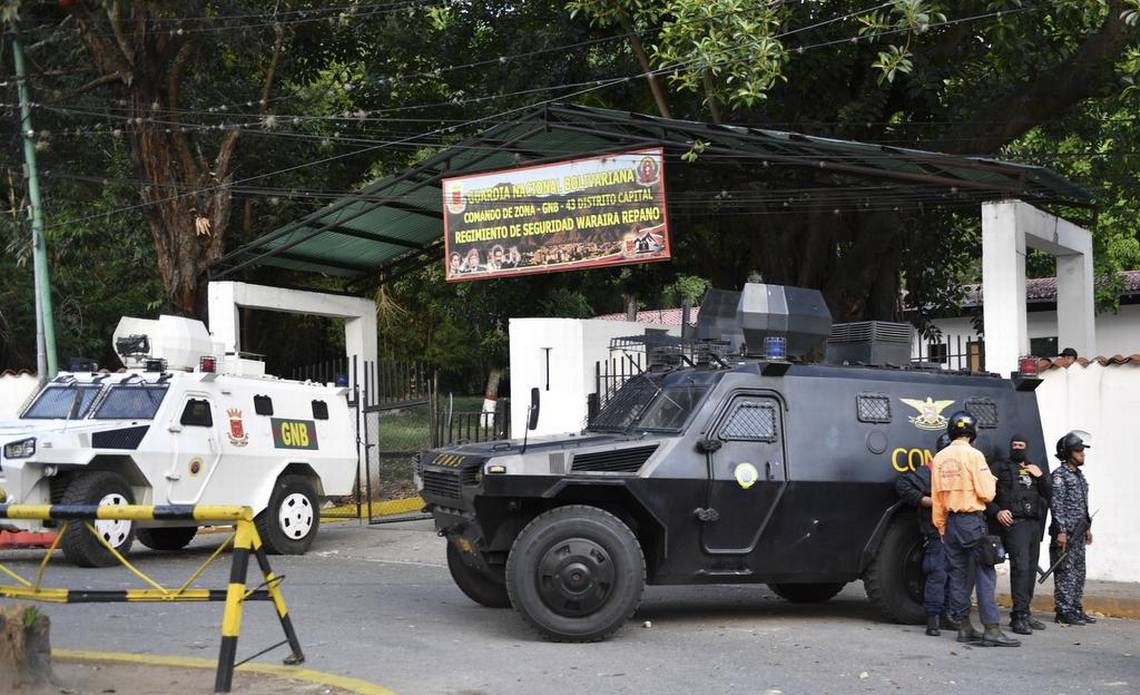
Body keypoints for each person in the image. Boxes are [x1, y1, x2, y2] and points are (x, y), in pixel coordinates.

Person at [931, 411, 1020, 647]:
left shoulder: (939, 458)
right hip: (971, 521)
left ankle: (963, 627)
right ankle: (991, 628)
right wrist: (990, 480)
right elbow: (987, 493)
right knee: (985, 572)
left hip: (950, 524)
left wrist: (941, 526)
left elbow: (937, 497)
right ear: (972, 432)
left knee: (958, 575)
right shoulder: (975, 456)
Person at [986, 434, 1052, 635]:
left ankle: (1026, 612)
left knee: (1031, 570)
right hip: (1014, 525)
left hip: (1033, 525)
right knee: (1021, 568)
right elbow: (984, 494)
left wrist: (1040, 477)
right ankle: (1018, 616)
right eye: (1014, 445)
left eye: (1021, 445)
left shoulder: (1034, 469)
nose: (1017, 448)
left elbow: (1050, 496)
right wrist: (997, 511)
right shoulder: (999, 467)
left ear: (1026, 447)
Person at [896, 432, 957, 636]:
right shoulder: (929, 470)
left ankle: (949, 615)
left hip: (958, 530)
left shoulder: (962, 469)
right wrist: (925, 501)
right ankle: (934, 618)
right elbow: (903, 485)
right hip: (937, 530)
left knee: (954, 574)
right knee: (937, 572)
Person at [1050, 432, 1094, 626]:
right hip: (1065, 534)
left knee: (1078, 571)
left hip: (1078, 533)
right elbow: (1056, 504)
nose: (1082, 453)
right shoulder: (1060, 476)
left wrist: (1087, 528)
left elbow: (1083, 504)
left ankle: (1076, 607)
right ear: (1068, 453)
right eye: (1078, 450)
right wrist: (1060, 531)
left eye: (1082, 450)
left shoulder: (1078, 476)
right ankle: (1064, 611)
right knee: (1065, 572)